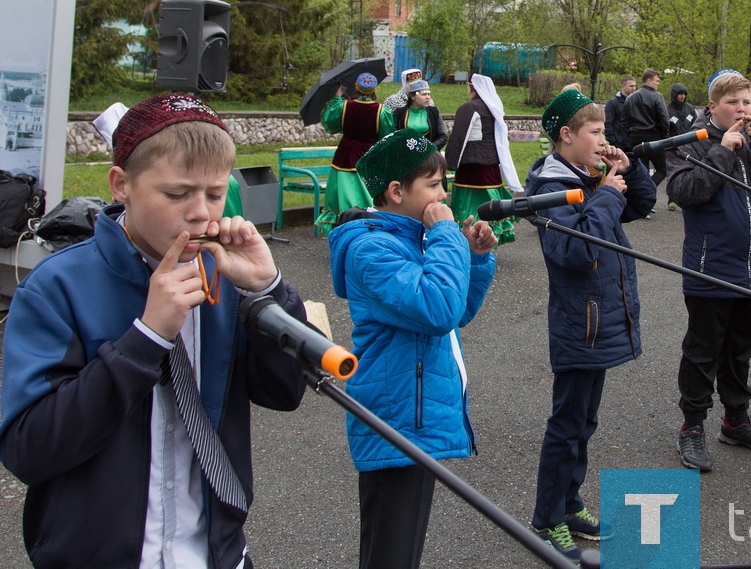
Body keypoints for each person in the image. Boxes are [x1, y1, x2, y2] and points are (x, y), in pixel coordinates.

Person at [0, 92, 307, 568]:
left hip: (215, 552)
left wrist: (268, 292)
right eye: (177, 194)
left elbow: (284, 392)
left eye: (214, 193)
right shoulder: (57, 287)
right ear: (121, 185)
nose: (201, 214)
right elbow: (29, 449)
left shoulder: (223, 274)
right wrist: (145, 339)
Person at [328, 128, 497, 569]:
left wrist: (474, 260)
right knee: (391, 552)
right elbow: (438, 308)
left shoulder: (410, 239)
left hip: (415, 414)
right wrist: (446, 236)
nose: (444, 194)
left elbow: (455, 315)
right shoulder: (371, 249)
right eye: (434, 185)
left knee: (401, 549)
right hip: (395, 418)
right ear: (397, 191)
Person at [525, 89, 656, 560]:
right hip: (579, 324)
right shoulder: (548, 188)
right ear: (567, 136)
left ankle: (569, 504)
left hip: (598, 322)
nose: (605, 139)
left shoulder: (590, 174)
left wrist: (628, 169)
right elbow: (574, 251)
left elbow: (641, 204)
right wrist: (604, 197)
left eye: (605, 131)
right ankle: (546, 519)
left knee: (585, 421)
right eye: (596, 132)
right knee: (567, 423)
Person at [666, 70, 751, 472]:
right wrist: (721, 149)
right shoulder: (694, 142)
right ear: (713, 106)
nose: (742, 111)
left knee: (741, 349)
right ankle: (692, 427)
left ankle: (736, 421)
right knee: (703, 351)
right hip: (710, 268)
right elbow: (685, 193)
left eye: (747, 102)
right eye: (733, 103)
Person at [444, 74, 523, 245]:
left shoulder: (469, 108)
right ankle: (489, 238)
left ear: (472, 88)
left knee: (466, 203)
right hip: (492, 166)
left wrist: (449, 163)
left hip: (471, 167)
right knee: (491, 203)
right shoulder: (493, 109)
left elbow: (458, 138)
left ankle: (465, 239)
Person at [317, 72, 395, 237]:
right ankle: (367, 229)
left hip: (343, 159)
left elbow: (330, 125)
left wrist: (338, 96)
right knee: (367, 196)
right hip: (368, 160)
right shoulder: (382, 111)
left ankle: (343, 232)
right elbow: (386, 138)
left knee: (342, 198)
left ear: (356, 88)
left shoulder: (344, 106)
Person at [623, 68, 672, 193]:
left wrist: (630, 133)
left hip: (636, 138)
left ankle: (642, 197)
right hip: (654, 137)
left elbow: (624, 120)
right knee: (663, 169)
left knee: (642, 171)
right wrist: (664, 136)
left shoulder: (630, 98)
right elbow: (665, 119)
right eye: (656, 81)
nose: (658, 83)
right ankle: (647, 191)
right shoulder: (657, 97)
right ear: (649, 80)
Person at [666, 82, 699, 211]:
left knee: (691, 171)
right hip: (674, 145)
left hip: (690, 145)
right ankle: (671, 200)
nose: (682, 96)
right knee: (674, 172)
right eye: (679, 94)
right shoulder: (667, 109)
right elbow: (665, 127)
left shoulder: (690, 108)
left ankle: (689, 198)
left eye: (684, 94)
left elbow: (696, 124)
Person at [392, 79, 448, 149]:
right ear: (412, 96)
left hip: (429, 156)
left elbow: (443, 136)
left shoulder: (434, 112)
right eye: (424, 94)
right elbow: (393, 136)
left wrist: (430, 149)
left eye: (429, 94)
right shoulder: (399, 113)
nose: (428, 97)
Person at [605, 75, 636, 151]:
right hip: (620, 144)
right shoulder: (613, 103)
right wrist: (614, 142)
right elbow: (608, 123)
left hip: (635, 143)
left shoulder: (636, 102)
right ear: (623, 86)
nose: (634, 88)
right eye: (631, 86)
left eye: (635, 86)